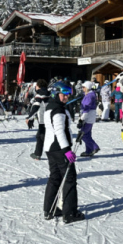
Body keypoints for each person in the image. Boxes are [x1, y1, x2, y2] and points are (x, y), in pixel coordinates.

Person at [43, 81, 84, 224]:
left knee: (55, 178)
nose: (66, 97)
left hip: (50, 148)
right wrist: (67, 150)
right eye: (64, 94)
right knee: (69, 178)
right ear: (55, 93)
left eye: (68, 94)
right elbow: (59, 132)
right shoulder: (58, 111)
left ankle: (50, 209)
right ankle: (69, 212)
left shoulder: (50, 107)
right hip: (59, 149)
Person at [26, 79, 50, 160]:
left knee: (56, 141)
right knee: (40, 136)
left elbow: (36, 106)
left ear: (38, 86)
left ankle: (69, 157)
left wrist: (29, 117)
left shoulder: (40, 94)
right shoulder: (49, 93)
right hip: (49, 119)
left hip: (44, 120)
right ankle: (37, 154)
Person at [77, 81, 100, 157]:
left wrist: (81, 119)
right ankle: (88, 150)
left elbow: (86, 108)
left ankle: (94, 147)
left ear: (87, 88)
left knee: (83, 134)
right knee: (87, 134)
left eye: (84, 87)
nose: (82, 88)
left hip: (88, 117)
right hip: (89, 116)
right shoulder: (88, 95)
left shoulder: (89, 96)